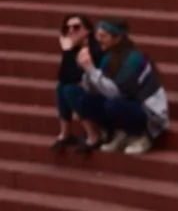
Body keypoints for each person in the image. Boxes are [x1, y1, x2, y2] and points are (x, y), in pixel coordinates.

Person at [74, 18, 171, 157]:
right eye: (97, 36)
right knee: (85, 100)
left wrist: (90, 70)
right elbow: (97, 88)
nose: (98, 40)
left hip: (149, 113)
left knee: (113, 105)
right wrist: (86, 72)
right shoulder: (109, 57)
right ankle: (119, 133)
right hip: (126, 103)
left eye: (103, 36)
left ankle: (141, 137)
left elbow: (116, 93)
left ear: (117, 38)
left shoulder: (135, 59)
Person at [50, 15, 89, 153]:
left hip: (101, 97)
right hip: (88, 92)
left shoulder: (93, 49)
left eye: (76, 27)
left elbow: (77, 78)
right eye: (67, 28)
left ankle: (94, 136)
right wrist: (67, 52)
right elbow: (64, 76)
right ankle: (65, 133)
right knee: (62, 87)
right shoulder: (73, 49)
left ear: (87, 30)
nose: (71, 31)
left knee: (70, 90)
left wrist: (67, 51)